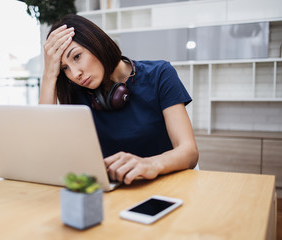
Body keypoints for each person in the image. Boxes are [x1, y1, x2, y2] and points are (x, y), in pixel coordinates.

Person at [39, 14, 199, 185]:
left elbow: (189, 152)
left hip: (163, 183)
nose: (75, 74)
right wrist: (49, 74)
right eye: (65, 68)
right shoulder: (77, 93)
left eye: (77, 57)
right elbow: (46, 150)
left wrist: (149, 164)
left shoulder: (160, 73)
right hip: (110, 191)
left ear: (96, 43)